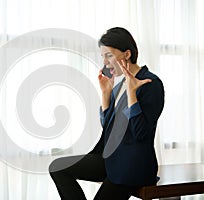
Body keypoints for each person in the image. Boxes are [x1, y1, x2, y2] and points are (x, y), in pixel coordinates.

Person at [49, 27, 165, 200]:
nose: (105, 62)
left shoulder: (150, 83)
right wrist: (105, 95)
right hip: (111, 159)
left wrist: (132, 95)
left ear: (126, 54)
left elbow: (141, 133)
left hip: (131, 165)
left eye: (109, 55)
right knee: (57, 167)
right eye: (103, 56)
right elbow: (110, 128)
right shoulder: (119, 86)